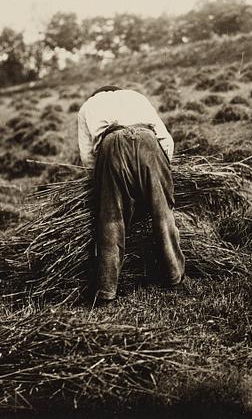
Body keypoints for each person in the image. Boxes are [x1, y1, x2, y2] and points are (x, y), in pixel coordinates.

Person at [77, 85, 185, 304]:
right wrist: (160, 174)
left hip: (111, 144)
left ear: (96, 95)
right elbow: (166, 140)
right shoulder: (136, 96)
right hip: (148, 140)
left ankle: (107, 290)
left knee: (111, 219)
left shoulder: (87, 107)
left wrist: (103, 184)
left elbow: (87, 158)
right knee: (163, 211)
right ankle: (174, 276)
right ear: (118, 91)